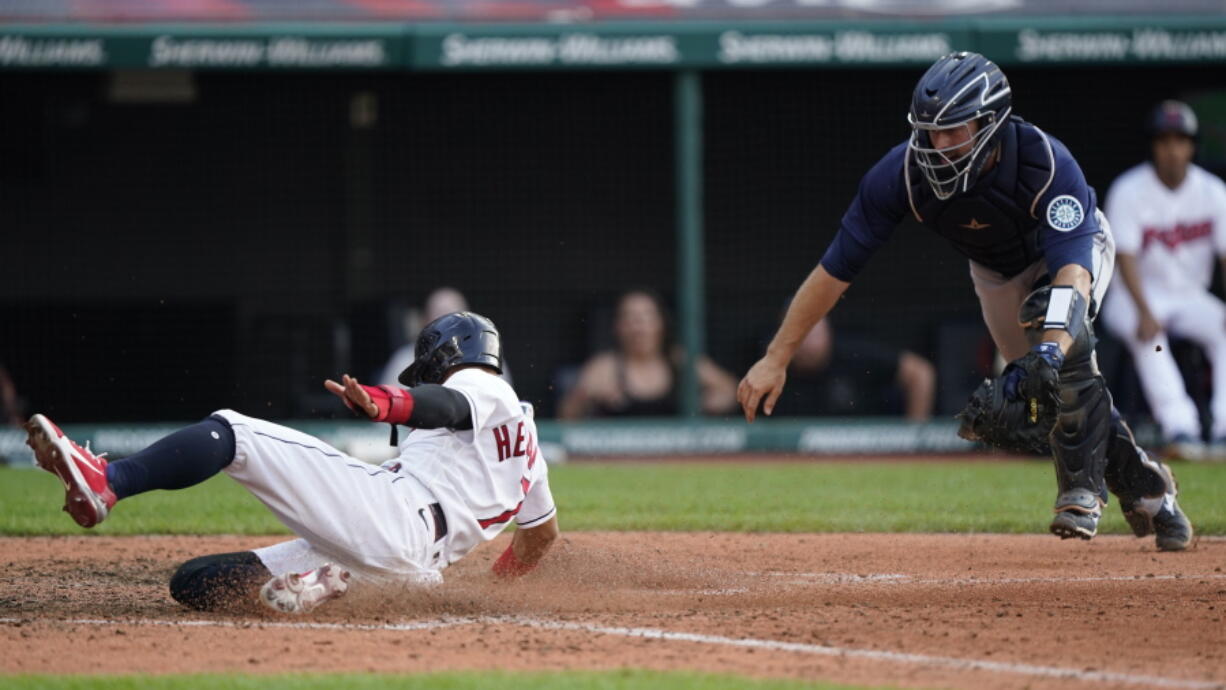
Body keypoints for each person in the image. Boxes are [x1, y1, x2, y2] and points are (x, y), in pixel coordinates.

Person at [738, 52, 1192, 550]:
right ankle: (1149, 489)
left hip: (1071, 260)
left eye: (956, 130)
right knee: (1042, 390)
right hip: (994, 275)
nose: (939, 143)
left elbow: (1072, 273)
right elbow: (834, 271)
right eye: (931, 130)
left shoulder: (1043, 160)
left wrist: (1049, 349)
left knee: (1057, 344)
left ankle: (1081, 491)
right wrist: (777, 357)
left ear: (992, 123)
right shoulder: (903, 174)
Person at [25, 312, 558, 614]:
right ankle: (324, 583)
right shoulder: (528, 446)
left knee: (234, 432)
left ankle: (109, 479)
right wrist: (488, 593)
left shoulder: (482, 385)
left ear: (443, 356)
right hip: (411, 566)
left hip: (396, 515)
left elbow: (447, 405)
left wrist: (387, 404)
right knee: (196, 583)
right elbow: (539, 538)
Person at [1100, 100, 1226, 462]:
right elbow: (1124, 258)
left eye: (1180, 140)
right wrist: (1144, 310)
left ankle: (1221, 430)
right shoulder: (1130, 188)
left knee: (1223, 329)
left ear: (1191, 146)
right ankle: (1180, 427)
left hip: (1188, 296)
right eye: (1164, 140)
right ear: (1154, 146)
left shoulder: (1212, 191)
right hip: (1133, 295)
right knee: (1151, 338)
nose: (1172, 149)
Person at [558, 289, 738, 418]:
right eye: (630, 318)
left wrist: (701, 403)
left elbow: (731, 391)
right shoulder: (604, 367)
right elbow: (567, 415)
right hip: (617, 457)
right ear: (617, 327)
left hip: (680, 456)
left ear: (661, 324)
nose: (639, 326)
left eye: (647, 317)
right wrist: (586, 397)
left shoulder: (680, 360)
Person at [774, 318, 935, 421]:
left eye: (814, 332)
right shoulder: (770, 367)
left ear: (828, 332)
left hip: (868, 449)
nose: (809, 342)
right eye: (801, 333)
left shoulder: (855, 354)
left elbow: (921, 372)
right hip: (798, 457)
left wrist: (915, 435)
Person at [377, 287, 512, 387]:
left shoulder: (488, 356)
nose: (449, 323)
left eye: (456, 316)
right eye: (441, 315)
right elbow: (386, 417)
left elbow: (504, 409)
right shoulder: (403, 359)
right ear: (425, 319)